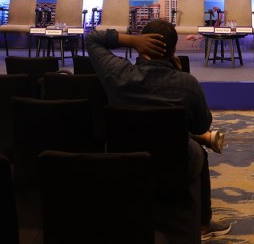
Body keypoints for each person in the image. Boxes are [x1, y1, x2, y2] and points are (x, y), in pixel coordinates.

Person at [86, 20, 230, 241]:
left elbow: (92, 38)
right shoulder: (187, 83)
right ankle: (203, 224)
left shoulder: (117, 74)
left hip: (122, 161)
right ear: (173, 51)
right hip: (173, 165)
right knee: (198, 151)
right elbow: (201, 126)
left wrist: (131, 40)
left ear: (140, 47)